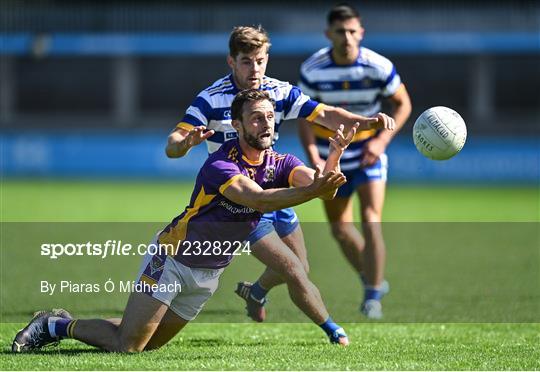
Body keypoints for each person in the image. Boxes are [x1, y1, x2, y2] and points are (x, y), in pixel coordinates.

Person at [12, 89, 357, 353]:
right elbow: (258, 199)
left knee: (148, 342)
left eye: (269, 116)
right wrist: (316, 189)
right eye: (255, 117)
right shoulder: (221, 164)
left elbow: (322, 187)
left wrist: (335, 158)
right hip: (172, 259)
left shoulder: (282, 162)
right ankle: (56, 325)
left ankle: (84, 325)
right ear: (236, 125)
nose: (266, 123)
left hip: (209, 273)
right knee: (129, 345)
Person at [166, 25, 395, 323]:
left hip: (274, 186)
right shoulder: (211, 98)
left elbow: (325, 114)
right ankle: (158, 302)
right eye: (247, 61)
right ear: (231, 62)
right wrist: (184, 143)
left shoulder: (278, 91)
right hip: (238, 198)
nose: (255, 68)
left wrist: (367, 122)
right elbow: (172, 144)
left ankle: (257, 291)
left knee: (300, 266)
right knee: (290, 269)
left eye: (260, 60)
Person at [298, 4, 412, 319]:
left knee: (371, 219)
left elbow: (403, 104)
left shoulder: (378, 66)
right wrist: (315, 157)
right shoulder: (313, 69)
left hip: (367, 153)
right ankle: (373, 276)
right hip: (332, 154)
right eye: (340, 32)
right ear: (328, 34)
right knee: (340, 229)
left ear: (361, 32)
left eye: (352, 31)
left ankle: (372, 296)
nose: (347, 38)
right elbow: (304, 118)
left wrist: (381, 140)